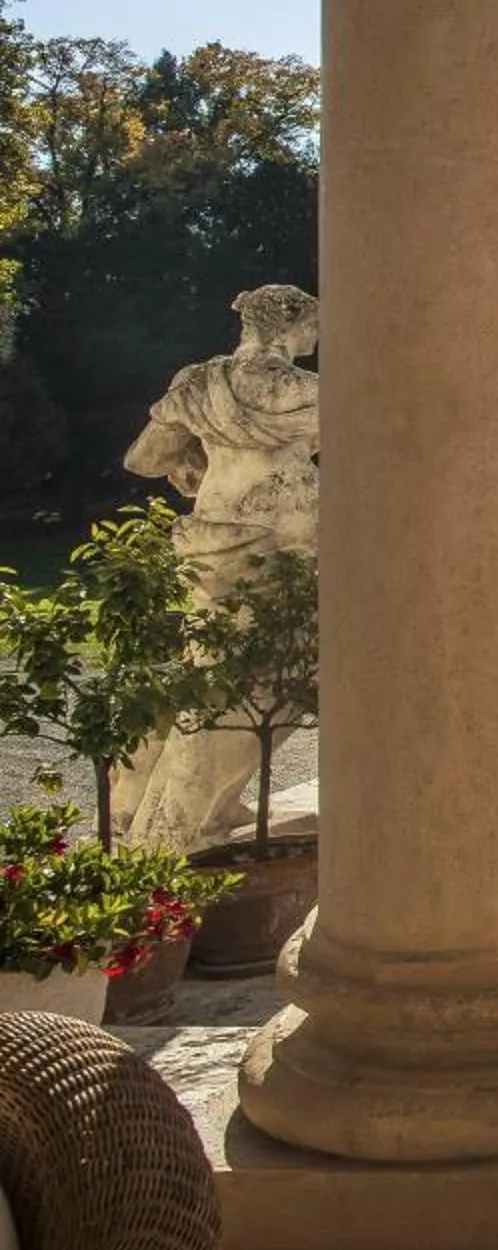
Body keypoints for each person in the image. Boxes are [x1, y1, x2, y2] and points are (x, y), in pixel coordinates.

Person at [116, 284, 321, 847]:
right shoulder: (298, 389)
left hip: (213, 537)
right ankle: (176, 827)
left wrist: (195, 463)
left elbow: (144, 458)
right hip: (282, 547)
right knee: (266, 684)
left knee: (204, 670)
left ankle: (138, 806)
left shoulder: (198, 383)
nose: (315, 338)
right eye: (313, 327)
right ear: (293, 325)